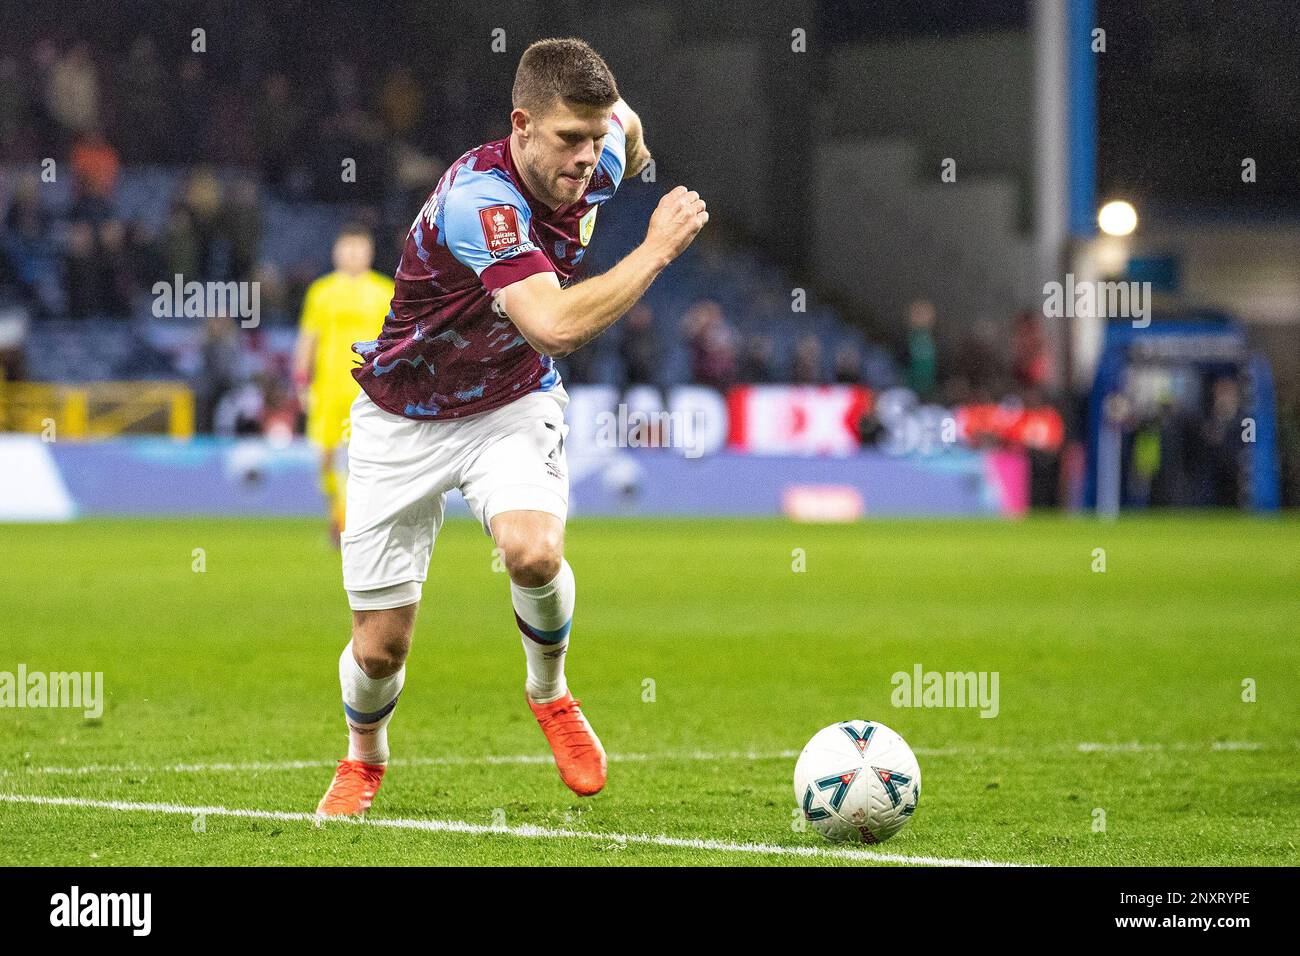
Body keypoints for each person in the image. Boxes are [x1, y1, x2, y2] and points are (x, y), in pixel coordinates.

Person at [316, 37, 706, 817]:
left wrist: (620, 134)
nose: (586, 159)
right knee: (378, 647)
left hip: (510, 399)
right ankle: (365, 757)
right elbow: (554, 324)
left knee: (532, 551)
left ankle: (551, 694)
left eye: (596, 141)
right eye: (568, 140)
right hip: (405, 414)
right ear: (521, 125)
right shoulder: (481, 202)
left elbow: (627, 125)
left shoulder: (600, 149)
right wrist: (656, 248)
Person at [293, 224, 394, 545]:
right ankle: (337, 514)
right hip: (327, 389)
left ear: (369, 252)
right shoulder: (321, 292)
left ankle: (357, 522)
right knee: (324, 456)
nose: (352, 254)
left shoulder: (384, 290)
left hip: (368, 391)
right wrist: (300, 380)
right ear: (336, 252)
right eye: (347, 248)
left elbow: (394, 342)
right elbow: (308, 339)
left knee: (367, 458)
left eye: (358, 248)